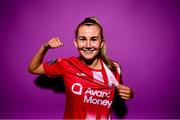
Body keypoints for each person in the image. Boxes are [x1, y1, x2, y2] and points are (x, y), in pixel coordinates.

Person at [28, 17, 133, 119]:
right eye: (82, 39)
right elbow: (33, 68)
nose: (88, 45)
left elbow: (119, 92)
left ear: (101, 43)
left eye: (94, 39)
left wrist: (129, 93)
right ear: (76, 43)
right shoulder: (67, 64)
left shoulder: (114, 68)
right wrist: (44, 47)